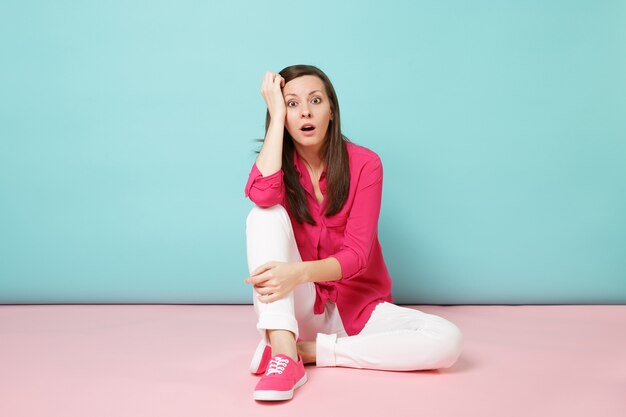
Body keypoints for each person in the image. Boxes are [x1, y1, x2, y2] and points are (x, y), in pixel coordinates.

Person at [244, 65, 463, 402]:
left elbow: (357, 256)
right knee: (262, 215)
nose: (305, 111)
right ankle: (286, 356)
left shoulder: (366, 164)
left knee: (447, 340)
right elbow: (261, 194)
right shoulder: (279, 165)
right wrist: (275, 117)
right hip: (301, 306)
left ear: (331, 110)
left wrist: (297, 273)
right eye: (291, 104)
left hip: (359, 309)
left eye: (315, 100)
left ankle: (308, 352)